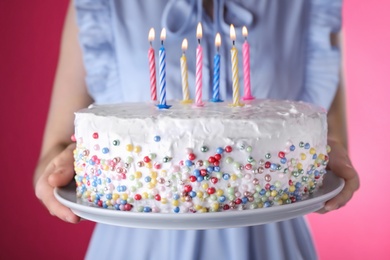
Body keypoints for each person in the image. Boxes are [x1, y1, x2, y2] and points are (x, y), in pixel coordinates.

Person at [34, 0, 360, 259]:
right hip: (135, 238)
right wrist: (56, 171)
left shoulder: (308, 5)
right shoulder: (102, 5)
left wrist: (334, 161)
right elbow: (56, 147)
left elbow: (327, 136)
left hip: (271, 239)